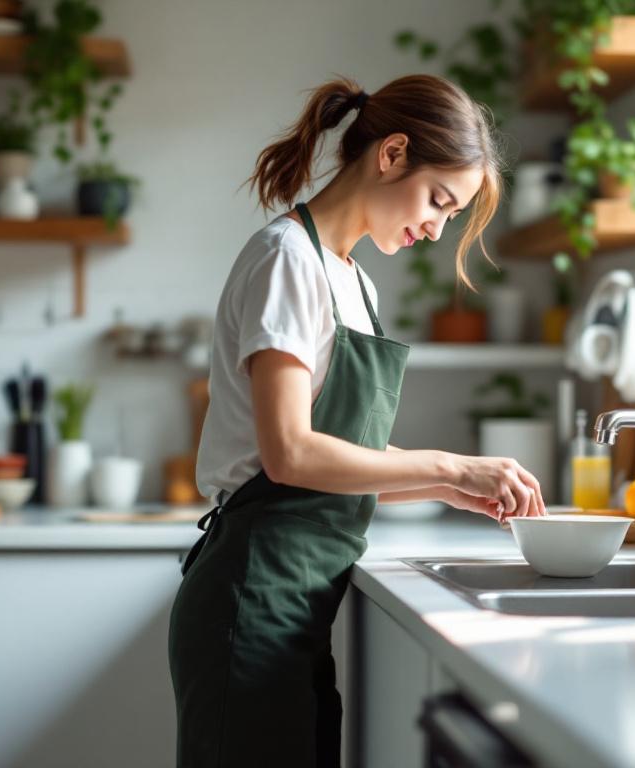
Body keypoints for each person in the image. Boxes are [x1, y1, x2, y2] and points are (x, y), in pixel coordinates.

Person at [168, 74, 546, 767]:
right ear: (392, 154)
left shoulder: (354, 281)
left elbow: (339, 459)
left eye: (450, 215)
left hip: (298, 603)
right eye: (439, 200)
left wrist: (447, 489)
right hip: (251, 594)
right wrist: (448, 465)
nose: (437, 227)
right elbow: (288, 456)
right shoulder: (289, 259)